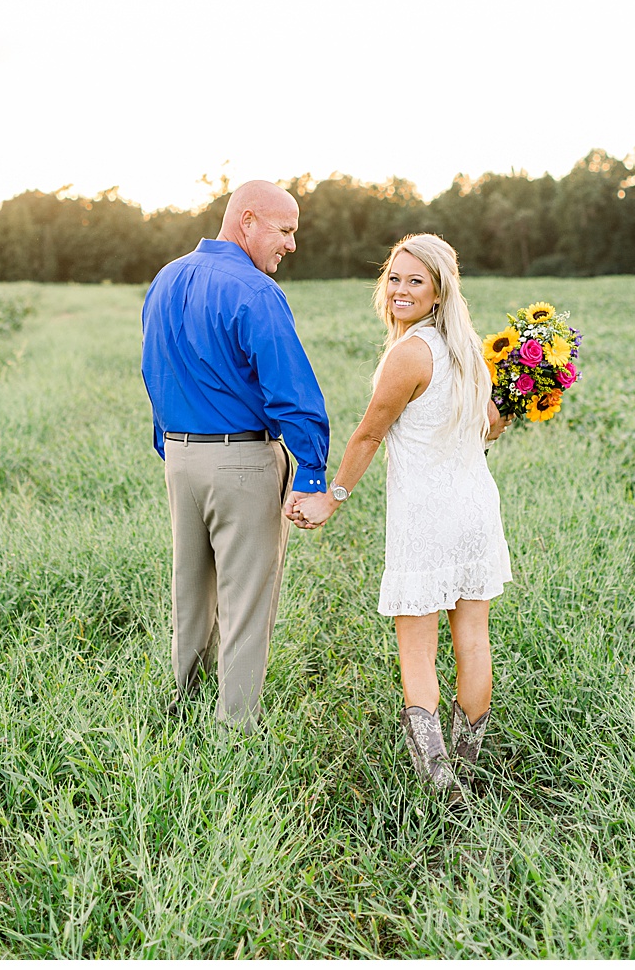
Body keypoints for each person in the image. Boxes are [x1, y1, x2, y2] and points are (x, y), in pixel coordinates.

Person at [289, 234, 511, 801]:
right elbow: (487, 426)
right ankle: (465, 767)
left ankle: (439, 788)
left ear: (439, 290)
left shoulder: (410, 353)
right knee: (473, 640)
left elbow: (369, 434)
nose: (400, 290)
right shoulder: (468, 350)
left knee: (418, 648)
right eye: (394, 278)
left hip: (427, 516)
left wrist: (331, 497)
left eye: (416, 281)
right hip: (476, 508)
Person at [141, 179, 330, 729]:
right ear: (247, 220)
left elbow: (154, 369)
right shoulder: (256, 291)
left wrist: (169, 445)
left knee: (190, 592)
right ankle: (236, 730)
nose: (292, 244)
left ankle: (184, 709)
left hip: (180, 459)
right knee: (246, 601)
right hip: (243, 460)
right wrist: (311, 470)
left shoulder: (165, 278)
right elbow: (290, 390)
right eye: (285, 230)